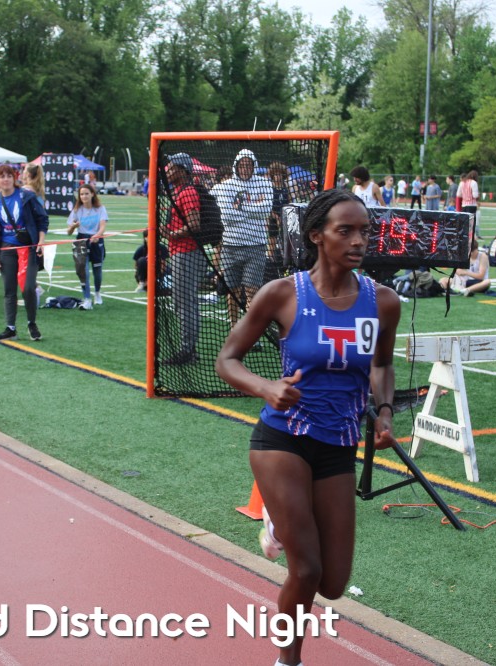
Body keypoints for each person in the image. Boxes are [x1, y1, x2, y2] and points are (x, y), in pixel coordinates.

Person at [215, 188, 399, 666]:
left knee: (333, 584)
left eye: (364, 232)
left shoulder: (383, 302)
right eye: (346, 231)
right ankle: (288, 660)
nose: (359, 241)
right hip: (282, 438)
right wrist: (267, 388)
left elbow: (381, 365)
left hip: (339, 444)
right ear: (317, 235)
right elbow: (227, 360)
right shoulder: (282, 293)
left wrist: (384, 411)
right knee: (307, 569)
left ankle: (280, 521)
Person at [0, 164, 49, 340]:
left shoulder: (26, 196)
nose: (5, 179)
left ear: (14, 178)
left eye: (9, 176)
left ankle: (31, 323)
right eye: (2, 176)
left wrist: (41, 241)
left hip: (28, 247)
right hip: (6, 249)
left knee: (28, 287)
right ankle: (10, 327)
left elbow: (42, 219)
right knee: (9, 289)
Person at [215, 150, 273, 327]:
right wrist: (253, 207)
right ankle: (234, 328)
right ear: (236, 166)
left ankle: (249, 331)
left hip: (256, 245)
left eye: (249, 165)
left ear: (254, 166)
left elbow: (266, 210)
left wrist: (240, 207)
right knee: (232, 291)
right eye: (242, 165)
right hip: (230, 246)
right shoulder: (226, 186)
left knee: (252, 291)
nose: (245, 168)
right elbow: (226, 216)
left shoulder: (264, 183)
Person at [161, 153, 203, 365]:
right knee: (182, 302)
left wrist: (171, 234)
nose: (167, 170)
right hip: (181, 252)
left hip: (186, 252)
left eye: (171, 167)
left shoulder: (187, 192)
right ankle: (188, 349)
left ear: (182, 170)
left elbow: (194, 225)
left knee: (185, 302)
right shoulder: (179, 191)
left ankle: (188, 351)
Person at [65, 184, 108, 307]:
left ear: (92, 194)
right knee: (83, 272)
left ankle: (97, 293)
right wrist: (73, 226)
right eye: (81, 194)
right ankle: (87, 298)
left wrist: (97, 235)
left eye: (86, 193)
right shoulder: (77, 210)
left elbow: (103, 227)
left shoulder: (100, 209)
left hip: (96, 241)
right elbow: (68, 232)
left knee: (97, 271)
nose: (84, 196)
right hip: (81, 240)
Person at [458, 170, 480, 237]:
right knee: (471, 222)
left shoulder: (461, 183)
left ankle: (463, 235)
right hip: (472, 205)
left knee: (464, 221)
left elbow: (458, 194)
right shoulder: (473, 183)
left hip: (464, 204)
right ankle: (471, 236)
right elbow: (475, 195)